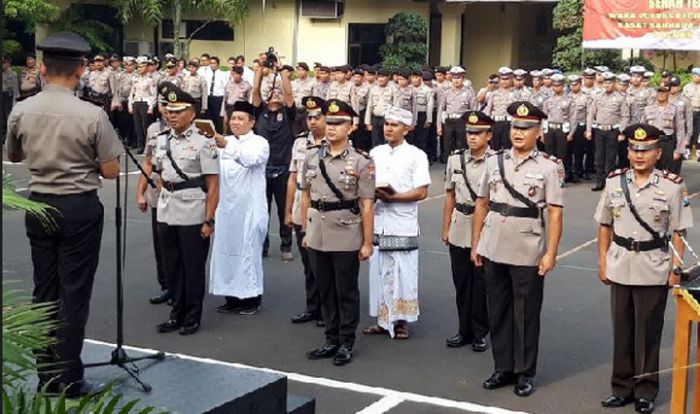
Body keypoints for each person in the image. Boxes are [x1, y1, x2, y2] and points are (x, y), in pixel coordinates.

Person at [6, 32, 123, 398]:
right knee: (74, 293)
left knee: (45, 289)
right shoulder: (92, 114)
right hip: (78, 205)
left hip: (38, 202)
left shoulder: (21, 109)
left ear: (43, 69)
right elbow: (110, 171)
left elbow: (13, 157)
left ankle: (46, 375)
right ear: (80, 69)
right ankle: (70, 377)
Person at [595, 123, 692, 414]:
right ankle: (621, 388)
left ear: (657, 153)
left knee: (648, 333)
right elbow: (604, 225)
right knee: (622, 331)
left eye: (646, 150)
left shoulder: (672, 186)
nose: (639, 155)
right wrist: (602, 261)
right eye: (635, 150)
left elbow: (679, 231)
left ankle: (646, 391)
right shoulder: (614, 182)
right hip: (620, 263)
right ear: (628, 152)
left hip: (654, 266)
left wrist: (676, 268)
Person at [471, 101, 565, 397]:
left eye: (526, 128)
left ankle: (524, 371)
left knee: (525, 313)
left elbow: (555, 212)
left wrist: (550, 252)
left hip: (527, 247)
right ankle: (503, 367)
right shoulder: (494, 161)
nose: (519, 133)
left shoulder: (550, 167)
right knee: (497, 310)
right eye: (515, 127)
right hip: (494, 243)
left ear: (539, 132)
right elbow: (482, 203)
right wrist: (476, 244)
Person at [302, 99, 375, 366]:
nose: (331, 128)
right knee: (325, 289)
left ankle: (345, 342)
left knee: (345, 290)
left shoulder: (362, 162)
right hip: (317, 231)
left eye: (337, 123)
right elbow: (306, 195)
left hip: (346, 232)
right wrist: (304, 230)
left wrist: (367, 242)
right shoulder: (312, 156)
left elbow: (367, 204)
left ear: (351, 127)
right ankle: (330, 339)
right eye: (328, 122)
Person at [153, 82, 219, 336]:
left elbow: (213, 185)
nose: (172, 115)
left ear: (191, 113)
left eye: (178, 111)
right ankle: (175, 314)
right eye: (169, 111)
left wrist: (208, 220)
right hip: (167, 207)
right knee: (172, 265)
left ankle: (192, 316)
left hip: (193, 209)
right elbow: (160, 174)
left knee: (192, 267)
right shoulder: (162, 140)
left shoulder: (204, 142)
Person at [364, 106, 430, 339]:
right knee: (380, 270)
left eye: (394, 125)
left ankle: (400, 321)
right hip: (379, 218)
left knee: (403, 272)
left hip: (402, 221)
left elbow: (421, 192)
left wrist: (394, 197)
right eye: (387, 124)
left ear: (407, 129)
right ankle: (383, 320)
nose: (388, 129)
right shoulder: (375, 152)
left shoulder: (416, 155)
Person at [209, 101, 270, 315]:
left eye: (240, 118)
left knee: (248, 250)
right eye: (233, 118)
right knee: (226, 249)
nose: (235, 122)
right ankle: (231, 296)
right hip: (226, 207)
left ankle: (251, 298)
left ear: (251, 122)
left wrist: (227, 147)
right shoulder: (222, 141)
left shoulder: (259, 142)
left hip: (250, 208)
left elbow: (251, 160)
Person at [442, 110, 494, 352]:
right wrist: (445, 228)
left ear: (489, 135)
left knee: (481, 283)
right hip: (459, 225)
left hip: (484, 227)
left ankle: (481, 331)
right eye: (469, 132)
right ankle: (464, 329)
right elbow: (450, 195)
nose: (472, 137)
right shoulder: (455, 159)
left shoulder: (496, 162)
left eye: (478, 133)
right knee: (461, 282)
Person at [286, 96, 327, 325]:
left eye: (317, 117)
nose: (312, 121)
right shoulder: (300, 142)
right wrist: (287, 211)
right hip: (301, 202)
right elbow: (292, 178)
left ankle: (325, 307)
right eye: (309, 117)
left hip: (322, 205)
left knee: (320, 261)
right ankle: (312, 306)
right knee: (307, 262)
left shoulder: (334, 142)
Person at [252, 63, 296, 260]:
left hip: (283, 169)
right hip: (262, 170)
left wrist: (282, 73)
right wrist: (260, 70)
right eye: (273, 92)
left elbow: (288, 95)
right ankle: (262, 246)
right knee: (263, 211)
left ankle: (286, 246)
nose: (277, 94)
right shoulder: (259, 112)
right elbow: (254, 92)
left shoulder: (287, 114)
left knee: (283, 210)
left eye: (279, 92)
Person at [136, 99, 171, 305]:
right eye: (164, 105)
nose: (167, 110)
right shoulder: (153, 129)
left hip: (179, 191)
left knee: (177, 243)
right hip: (157, 188)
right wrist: (140, 193)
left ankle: (180, 286)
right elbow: (148, 162)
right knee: (160, 241)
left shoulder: (193, 129)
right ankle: (166, 285)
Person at [587, 72, 630, 191]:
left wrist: (622, 131)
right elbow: (591, 114)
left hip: (613, 131)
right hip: (600, 130)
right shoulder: (598, 96)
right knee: (599, 157)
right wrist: (589, 130)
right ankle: (599, 182)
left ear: (614, 84)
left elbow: (625, 116)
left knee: (610, 158)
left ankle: (609, 183)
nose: (607, 85)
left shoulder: (620, 98)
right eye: (605, 83)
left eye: (610, 82)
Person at [437, 66, 476, 162]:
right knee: (448, 147)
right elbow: (441, 109)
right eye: (454, 78)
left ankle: (462, 169)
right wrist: (439, 126)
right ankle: (448, 171)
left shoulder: (469, 92)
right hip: (449, 122)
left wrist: (473, 126)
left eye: (458, 78)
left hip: (462, 122)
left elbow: (474, 110)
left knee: (462, 146)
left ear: (463, 78)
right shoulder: (446, 92)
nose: (456, 80)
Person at [643, 85, 684, 173]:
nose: (661, 94)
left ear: (668, 93)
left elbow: (680, 130)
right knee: (650, 170)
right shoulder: (648, 109)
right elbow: (642, 129)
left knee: (666, 171)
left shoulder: (674, 109)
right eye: (659, 92)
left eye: (664, 92)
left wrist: (678, 150)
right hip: (651, 143)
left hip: (667, 143)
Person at [542, 74, 576, 166]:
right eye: (555, 85)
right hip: (550, 129)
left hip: (562, 130)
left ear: (563, 86)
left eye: (558, 85)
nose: (556, 87)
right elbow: (544, 117)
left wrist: (571, 133)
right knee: (549, 154)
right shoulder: (548, 100)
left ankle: (563, 176)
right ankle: (551, 176)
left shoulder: (569, 100)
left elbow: (573, 117)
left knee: (562, 155)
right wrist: (543, 133)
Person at [129, 57, 158, 153]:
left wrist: (151, 107)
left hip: (145, 103)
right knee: (137, 126)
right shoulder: (135, 79)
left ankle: (147, 146)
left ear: (146, 68)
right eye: (139, 67)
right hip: (136, 102)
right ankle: (140, 145)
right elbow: (132, 93)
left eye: (142, 67)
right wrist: (130, 105)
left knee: (145, 126)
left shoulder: (150, 80)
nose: (140, 69)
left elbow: (153, 94)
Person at [365, 68, 399, 148]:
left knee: (388, 141)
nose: (381, 79)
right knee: (376, 141)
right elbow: (369, 106)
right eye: (379, 77)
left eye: (383, 77)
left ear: (388, 77)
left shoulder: (393, 89)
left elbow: (396, 106)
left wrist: (395, 122)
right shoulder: (373, 89)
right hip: (376, 119)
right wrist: (368, 122)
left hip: (388, 119)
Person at [485, 69, 517, 150]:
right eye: (503, 79)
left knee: (508, 149)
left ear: (511, 79)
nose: (504, 81)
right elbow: (488, 110)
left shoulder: (516, 94)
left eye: (507, 79)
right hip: (496, 123)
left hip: (509, 124)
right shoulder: (494, 94)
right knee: (494, 148)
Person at [567, 74, 591, 183]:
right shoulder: (566, 97)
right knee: (567, 151)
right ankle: (568, 172)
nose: (573, 87)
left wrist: (588, 129)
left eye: (575, 85)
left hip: (580, 127)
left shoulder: (585, 97)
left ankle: (578, 172)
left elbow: (589, 114)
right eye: (571, 85)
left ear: (580, 84)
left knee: (578, 151)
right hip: (568, 127)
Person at [668, 75, 693, 173]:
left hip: (679, 135)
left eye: (675, 86)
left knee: (675, 164)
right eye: (671, 85)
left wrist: (687, 138)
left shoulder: (685, 100)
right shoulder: (663, 98)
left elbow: (689, 120)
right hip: (665, 134)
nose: (672, 88)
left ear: (679, 86)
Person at [220, 66, 252, 132]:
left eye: (238, 74)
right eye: (234, 74)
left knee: (240, 128)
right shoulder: (228, 84)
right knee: (230, 129)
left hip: (242, 108)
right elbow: (225, 99)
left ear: (241, 74)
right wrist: (223, 113)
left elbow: (250, 100)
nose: (236, 76)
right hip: (230, 108)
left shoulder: (247, 85)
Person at [410, 69, 434, 155]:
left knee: (421, 139)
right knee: (411, 138)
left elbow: (430, 105)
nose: (414, 80)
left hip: (422, 115)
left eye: (416, 77)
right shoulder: (409, 89)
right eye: (412, 77)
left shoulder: (427, 90)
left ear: (420, 78)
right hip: (410, 116)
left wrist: (429, 119)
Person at [204, 56, 228, 133]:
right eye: (211, 63)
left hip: (218, 98)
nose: (212, 65)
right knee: (208, 117)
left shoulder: (222, 74)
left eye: (214, 63)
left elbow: (225, 87)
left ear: (217, 64)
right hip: (208, 97)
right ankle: (209, 134)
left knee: (217, 117)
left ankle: (219, 133)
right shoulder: (206, 74)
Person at [291, 62, 314, 135]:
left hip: (306, 110)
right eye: (298, 70)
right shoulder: (293, 83)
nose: (299, 72)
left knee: (306, 131)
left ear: (306, 71)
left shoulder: (312, 82)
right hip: (295, 110)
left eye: (302, 70)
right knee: (295, 132)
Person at [682, 67, 700, 160]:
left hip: (699, 112)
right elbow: (682, 99)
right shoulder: (687, 87)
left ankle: (698, 152)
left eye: (696, 75)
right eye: (693, 75)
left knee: (698, 132)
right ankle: (686, 151)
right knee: (688, 131)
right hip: (689, 112)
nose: (694, 76)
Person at [2, 57, 19, 142]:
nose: (3, 65)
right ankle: (3, 136)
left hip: (8, 96)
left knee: (8, 116)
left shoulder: (13, 74)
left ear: (8, 63)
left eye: (4, 63)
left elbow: (15, 88)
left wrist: (16, 100)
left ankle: (10, 137)